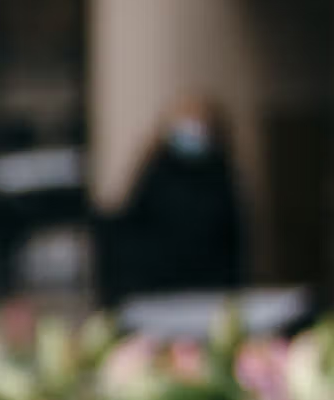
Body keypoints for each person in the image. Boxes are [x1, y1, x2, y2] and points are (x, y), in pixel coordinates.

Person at [102, 96, 250, 303]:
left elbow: (233, 236)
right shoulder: (155, 172)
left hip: (210, 287)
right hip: (159, 287)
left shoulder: (220, 175)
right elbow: (134, 228)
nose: (190, 134)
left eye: (198, 126)